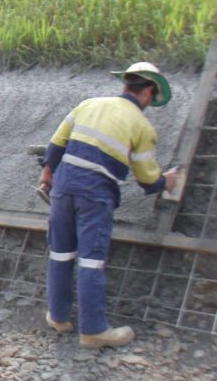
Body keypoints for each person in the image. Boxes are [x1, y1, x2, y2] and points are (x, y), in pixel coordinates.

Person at [39, 62, 179, 348]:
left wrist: (47, 171)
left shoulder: (88, 104)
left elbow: (55, 145)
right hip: (95, 194)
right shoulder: (142, 126)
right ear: (149, 91)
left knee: (61, 254)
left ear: (125, 84)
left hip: (63, 189)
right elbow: (147, 180)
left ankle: (58, 317)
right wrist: (167, 181)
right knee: (91, 260)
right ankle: (93, 330)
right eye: (153, 96)